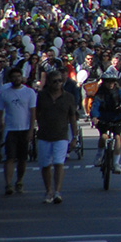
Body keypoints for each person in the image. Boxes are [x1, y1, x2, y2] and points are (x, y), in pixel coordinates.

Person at [35, 70, 77, 203]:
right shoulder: (41, 96)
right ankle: (48, 191)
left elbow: (72, 117)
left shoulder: (68, 97)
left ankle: (57, 192)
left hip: (61, 135)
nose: (58, 83)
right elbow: (35, 113)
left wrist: (75, 137)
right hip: (44, 135)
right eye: (55, 81)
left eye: (60, 81)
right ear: (48, 83)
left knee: (59, 163)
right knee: (45, 165)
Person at [0, 67, 37, 195]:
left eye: (19, 76)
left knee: (22, 159)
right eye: (14, 77)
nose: (16, 79)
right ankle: (8, 184)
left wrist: (31, 130)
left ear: (22, 77)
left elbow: (32, 113)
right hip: (10, 130)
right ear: (10, 79)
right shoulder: (5, 93)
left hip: (24, 129)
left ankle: (19, 180)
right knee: (9, 157)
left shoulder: (29, 92)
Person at [90, 71, 121, 173]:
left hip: (117, 118)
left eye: (112, 81)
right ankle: (99, 156)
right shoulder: (100, 93)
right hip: (103, 118)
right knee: (103, 136)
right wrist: (95, 117)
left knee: (117, 137)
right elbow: (95, 106)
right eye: (108, 82)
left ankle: (116, 163)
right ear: (104, 82)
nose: (110, 84)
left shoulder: (118, 91)